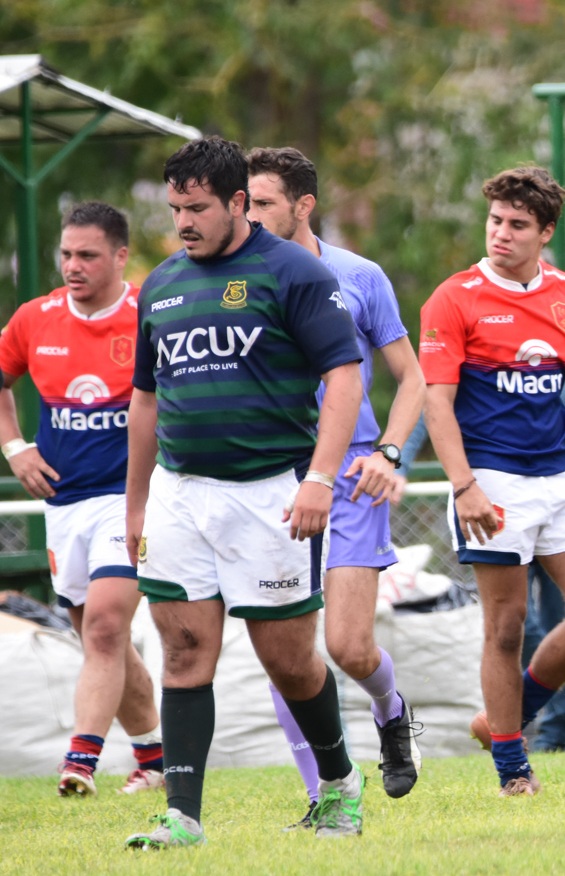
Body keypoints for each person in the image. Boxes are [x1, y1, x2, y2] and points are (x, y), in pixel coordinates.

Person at [124, 137, 367, 846]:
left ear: (238, 203)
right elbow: (144, 401)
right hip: (179, 491)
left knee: (289, 660)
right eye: (175, 209)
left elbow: (345, 379)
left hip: (270, 492)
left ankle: (340, 786)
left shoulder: (293, 272)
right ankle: (183, 817)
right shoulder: (162, 283)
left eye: (196, 208)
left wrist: (320, 478)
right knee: (184, 648)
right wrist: (136, 503)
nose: (183, 223)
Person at [420, 166, 565, 796]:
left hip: (560, 477)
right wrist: (464, 486)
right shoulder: (454, 297)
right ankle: (513, 769)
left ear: (545, 232)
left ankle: (505, 720)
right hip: (491, 481)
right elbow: (436, 403)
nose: (501, 234)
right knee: (507, 626)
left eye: (518, 225)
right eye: (496, 221)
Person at [244, 146, 426, 824]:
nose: (252, 216)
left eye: (263, 202)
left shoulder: (359, 275)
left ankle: (391, 710)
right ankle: (324, 795)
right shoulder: (235, 281)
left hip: (350, 474)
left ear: (303, 205)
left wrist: (390, 452)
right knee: (286, 654)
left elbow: (412, 377)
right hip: (272, 478)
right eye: (246, 203)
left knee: (347, 646)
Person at [0, 201, 164, 797]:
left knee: (103, 628)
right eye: (67, 254)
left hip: (130, 501)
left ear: (120, 256)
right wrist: (15, 446)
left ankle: (80, 762)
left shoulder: (152, 311)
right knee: (103, 639)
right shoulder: (34, 318)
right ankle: (155, 760)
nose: (74, 265)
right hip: (63, 505)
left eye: (88, 255)